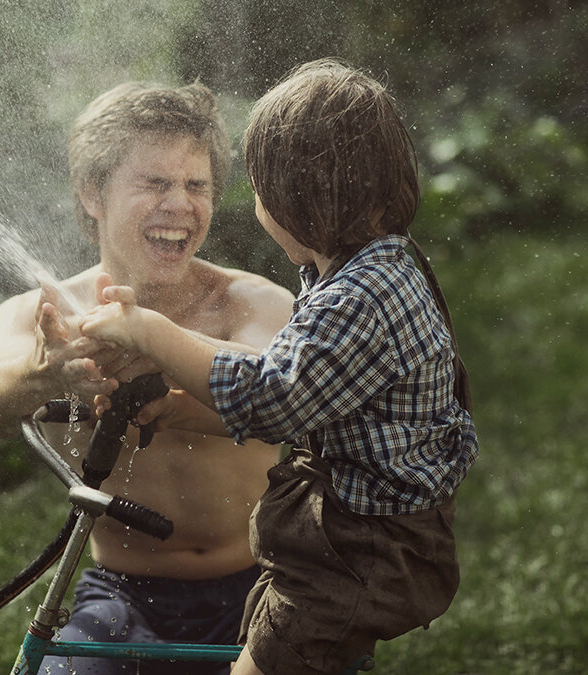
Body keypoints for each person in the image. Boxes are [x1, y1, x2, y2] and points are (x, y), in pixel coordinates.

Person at [80, 59, 479, 674]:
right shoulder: (364, 271)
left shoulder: (361, 298)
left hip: (355, 559)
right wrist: (184, 404)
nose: (257, 204)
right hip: (344, 546)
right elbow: (314, 400)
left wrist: (150, 332)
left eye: (262, 189)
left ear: (304, 198)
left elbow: (274, 395)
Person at [0, 80, 295, 674]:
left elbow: (274, 386)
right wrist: (47, 371)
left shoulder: (255, 303)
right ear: (94, 193)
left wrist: (156, 344)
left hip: (266, 585)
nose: (181, 204)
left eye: (197, 185)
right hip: (125, 593)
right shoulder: (42, 314)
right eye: (155, 183)